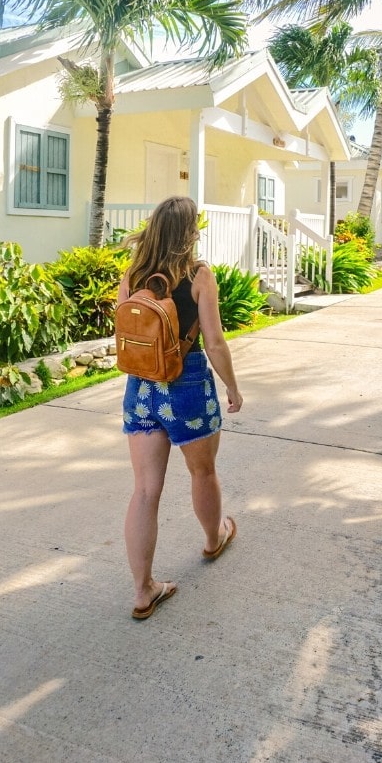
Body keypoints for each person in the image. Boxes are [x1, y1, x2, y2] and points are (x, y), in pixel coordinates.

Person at [117, 195, 243, 620]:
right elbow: (215, 342)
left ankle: (143, 590)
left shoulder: (132, 274)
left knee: (145, 490)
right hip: (186, 385)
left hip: (141, 388)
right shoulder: (198, 275)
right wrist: (233, 387)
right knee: (202, 471)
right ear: (188, 233)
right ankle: (214, 538)